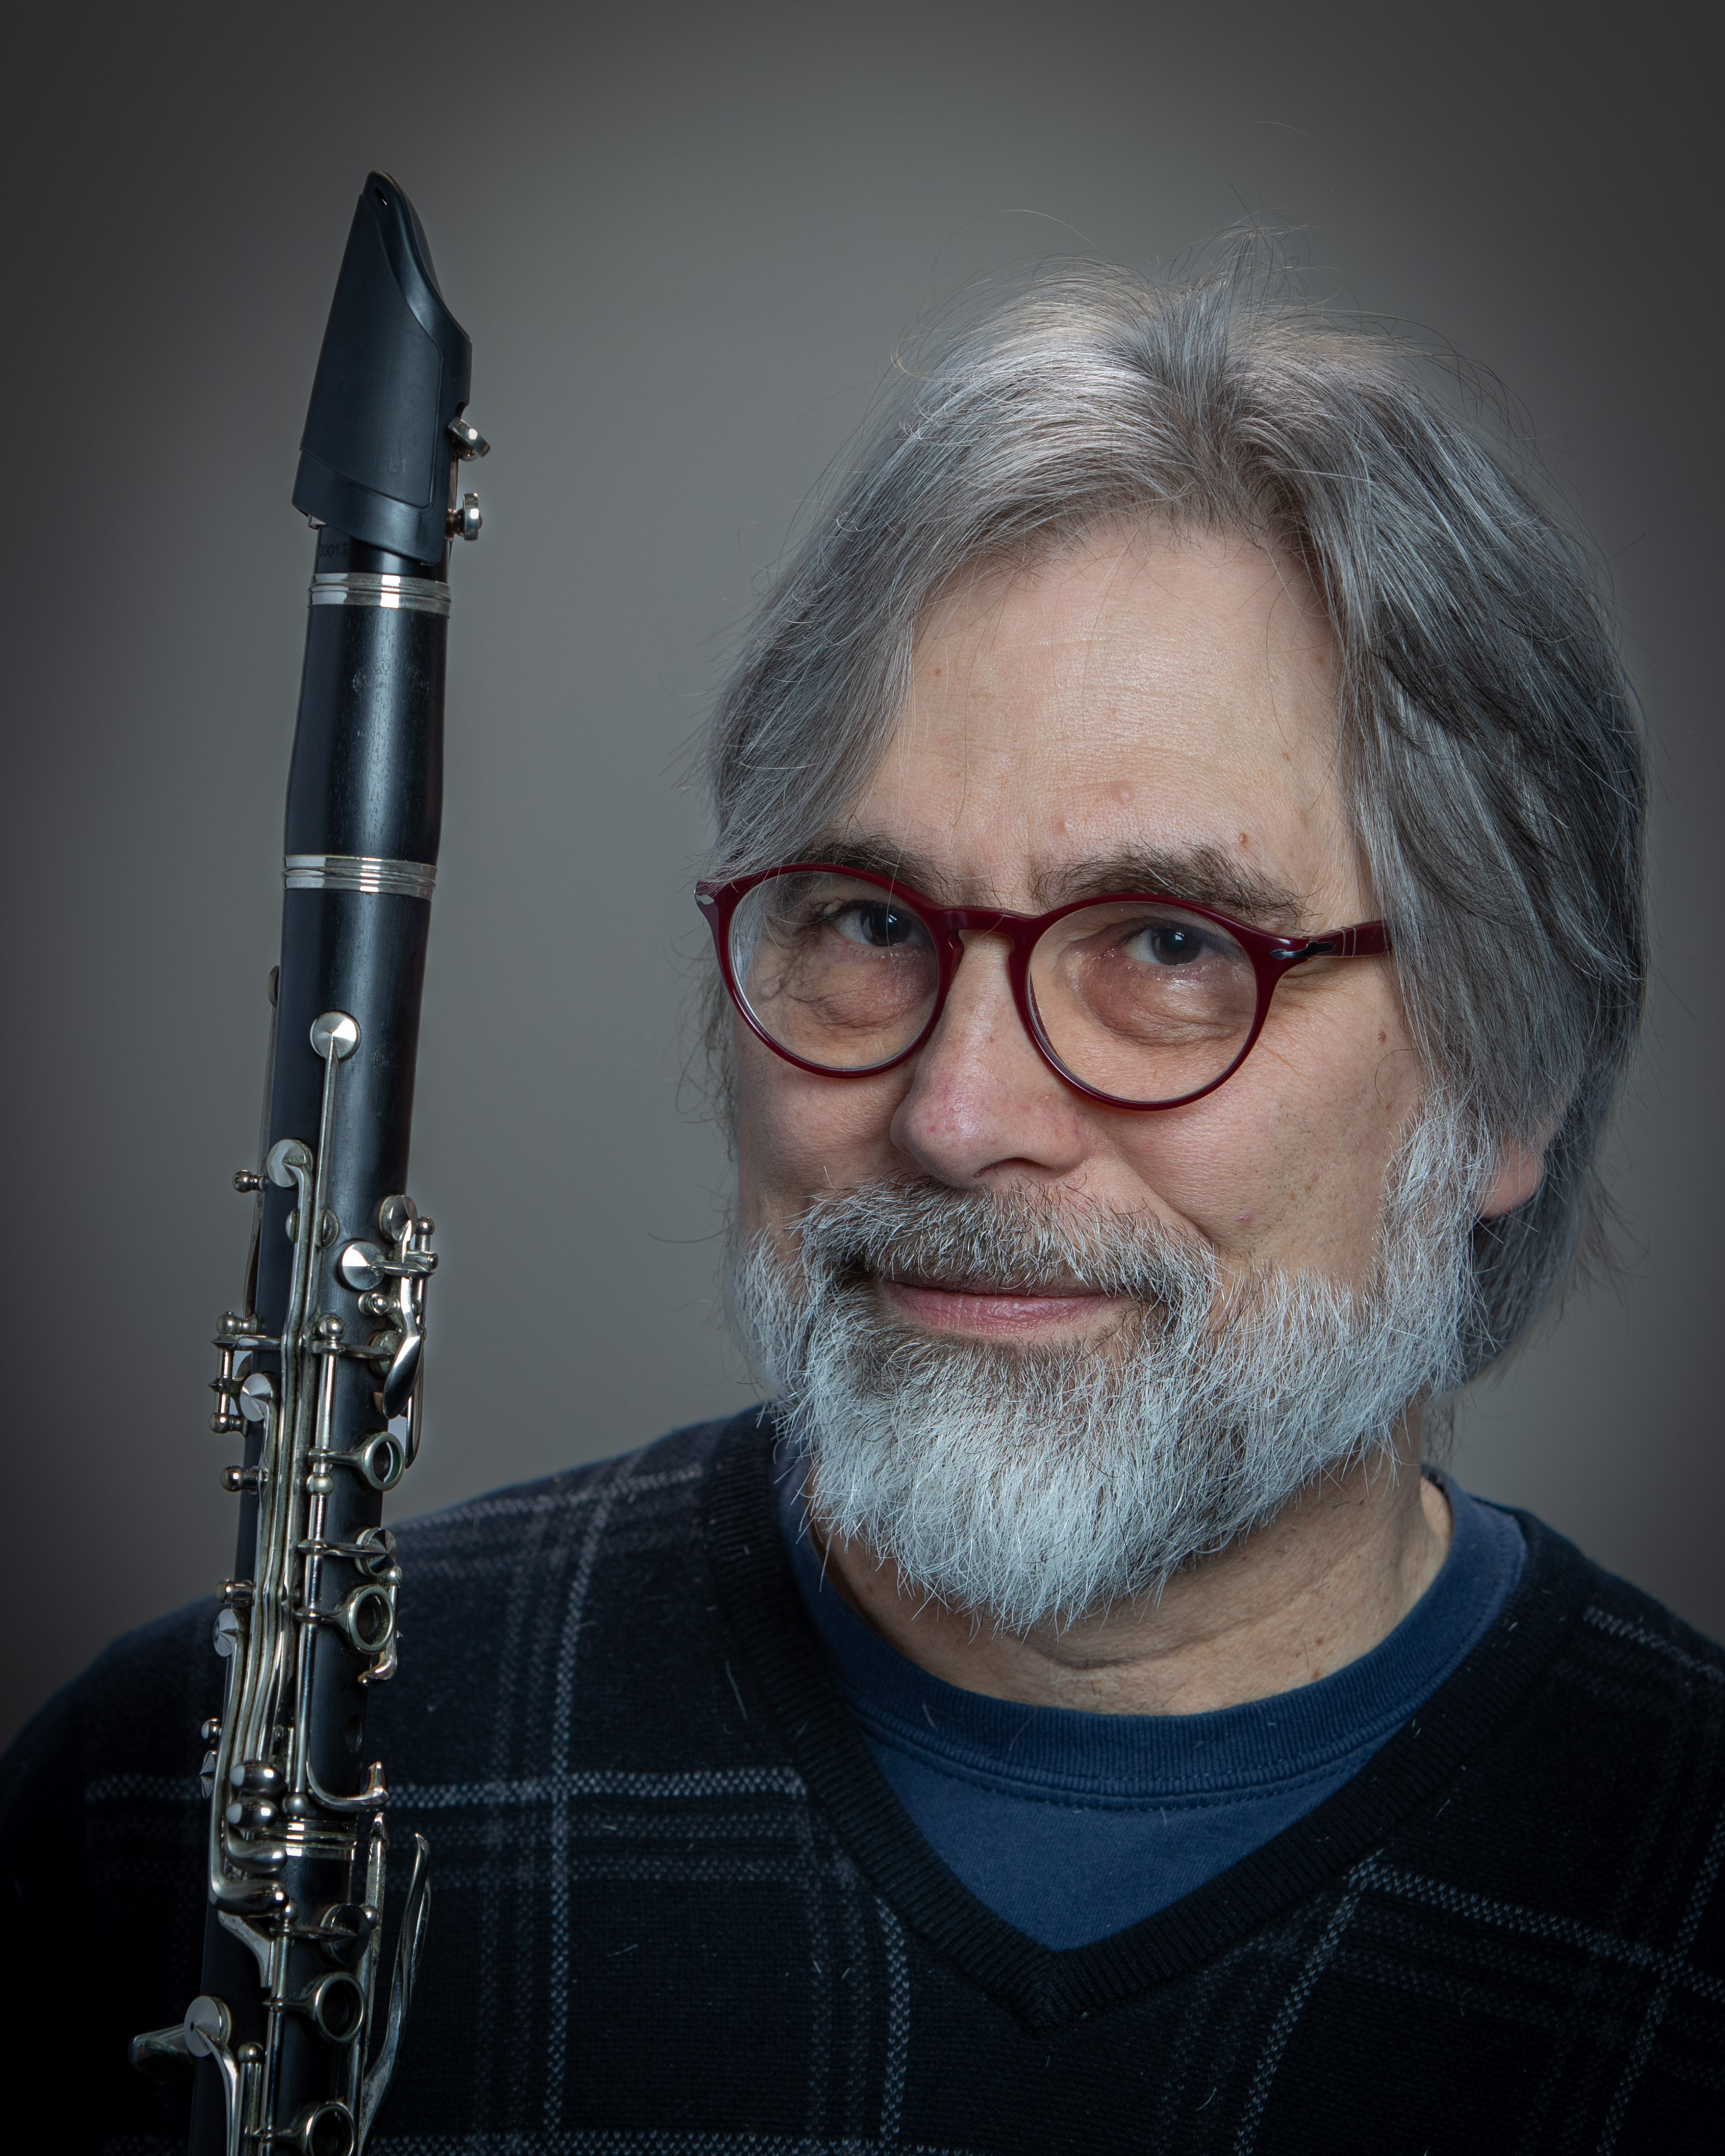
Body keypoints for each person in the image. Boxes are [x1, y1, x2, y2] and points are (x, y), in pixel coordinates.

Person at [5, 256, 1722, 2153]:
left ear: (1510, 1077)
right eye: (869, 923)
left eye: (1169, 944)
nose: (957, 1113)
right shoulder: (146, 1815)